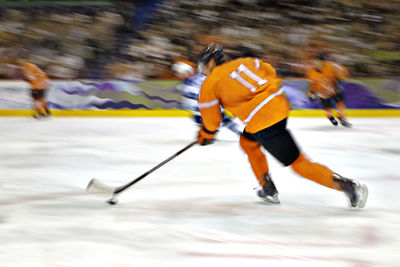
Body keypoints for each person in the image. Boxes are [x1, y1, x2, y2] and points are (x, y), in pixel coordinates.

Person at [196, 43, 368, 208]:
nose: (202, 71)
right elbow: (269, 70)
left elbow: (212, 121)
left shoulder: (209, 84)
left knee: (299, 164)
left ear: (211, 62)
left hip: (263, 120)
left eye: (203, 66)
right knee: (247, 142)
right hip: (279, 105)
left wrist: (206, 135)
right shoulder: (245, 61)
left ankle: (348, 186)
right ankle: (267, 188)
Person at [171, 60, 242, 135]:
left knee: (203, 119)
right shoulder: (198, 77)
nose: (178, 76)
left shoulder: (189, 84)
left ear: (185, 72)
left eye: (179, 73)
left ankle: (211, 132)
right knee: (201, 119)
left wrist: (185, 104)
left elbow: (195, 96)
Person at [306, 55, 351, 127]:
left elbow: (342, 72)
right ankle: (330, 117)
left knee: (340, 103)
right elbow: (312, 84)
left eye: (316, 61)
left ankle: (342, 118)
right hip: (322, 91)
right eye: (314, 62)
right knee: (327, 107)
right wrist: (311, 92)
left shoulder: (331, 66)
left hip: (334, 88)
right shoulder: (312, 72)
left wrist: (341, 77)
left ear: (322, 62)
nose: (315, 63)